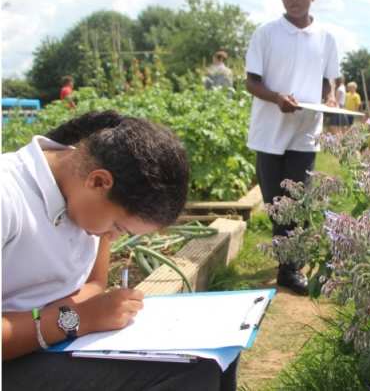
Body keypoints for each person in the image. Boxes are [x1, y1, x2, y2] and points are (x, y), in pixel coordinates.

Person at [2, 111, 238, 390]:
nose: (111, 237)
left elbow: (94, 282)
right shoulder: (8, 197)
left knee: (214, 354)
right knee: (189, 373)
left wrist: (87, 313)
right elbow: (80, 310)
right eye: (118, 226)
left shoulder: (85, 203)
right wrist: (77, 319)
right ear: (98, 181)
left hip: (48, 341)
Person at [245, 0, 340, 295]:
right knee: (274, 201)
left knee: (296, 199)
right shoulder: (266, 34)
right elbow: (251, 82)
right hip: (270, 129)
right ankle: (289, 260)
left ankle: (290, 268)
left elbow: (331, 79)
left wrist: (328, 96)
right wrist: (276, 98)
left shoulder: (326, 38)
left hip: (305, 130)